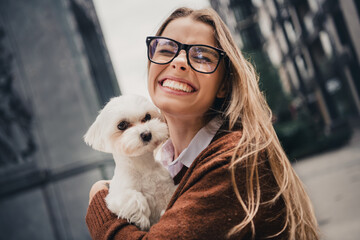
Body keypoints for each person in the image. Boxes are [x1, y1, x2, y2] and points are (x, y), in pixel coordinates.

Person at [86, 7, 319, 240]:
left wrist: (99, 202)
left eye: (201, 56)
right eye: (167, 50)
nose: (178, 62)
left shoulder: (232, 160)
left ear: (223, 85)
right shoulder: (171, 165)